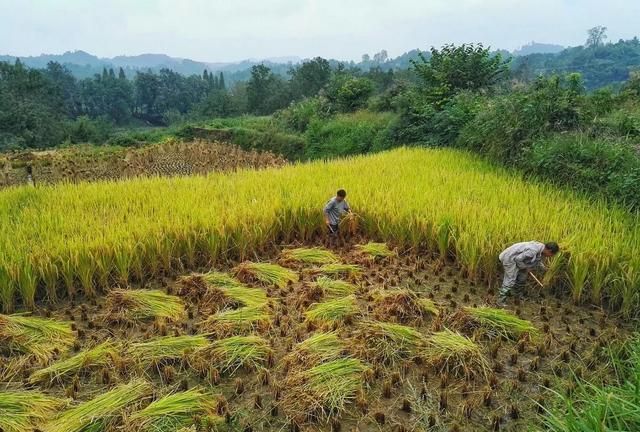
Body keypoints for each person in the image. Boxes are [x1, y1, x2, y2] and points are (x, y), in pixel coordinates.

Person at [497, 241, 559, 306]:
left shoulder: (541, 248)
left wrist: (544, 268)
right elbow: (518, 259)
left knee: (522, 277)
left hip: (519, 260)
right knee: (510, 280)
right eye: (552, 254)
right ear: (549, 250)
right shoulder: (533, 251)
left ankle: (515, 295)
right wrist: (526, 268)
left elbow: (538, 259)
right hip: (510, 259)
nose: (551, 256)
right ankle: (500, 301)